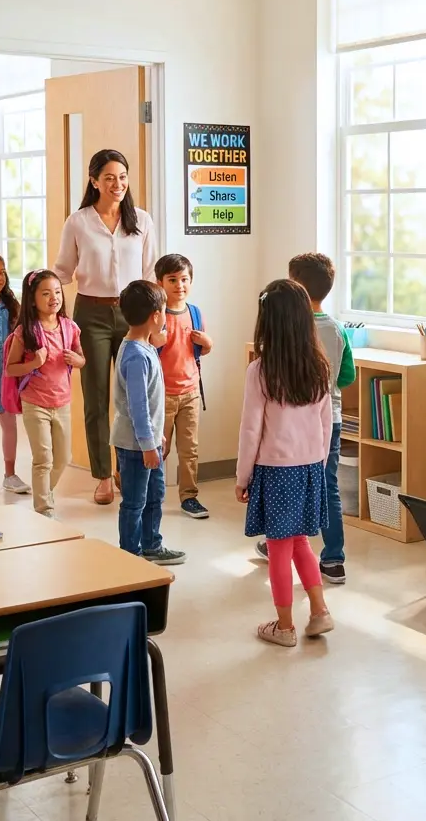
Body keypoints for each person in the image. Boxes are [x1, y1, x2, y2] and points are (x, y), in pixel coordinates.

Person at [54, 149, 157, 506]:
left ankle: (126, 467)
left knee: (134, 397)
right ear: (94, 181)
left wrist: (157, 321)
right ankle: (102, 476)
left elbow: (149, 274)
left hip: (133, 314)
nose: (118, 184)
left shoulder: (141, 220)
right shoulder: (78, 222)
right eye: (109, 177)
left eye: (123, 177)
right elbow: (63, 271)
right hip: (91, 315)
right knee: (97, 398)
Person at [237, 279, 334, 647]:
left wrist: (242, 477)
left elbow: (250, 430)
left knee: (278, 547)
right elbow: (326, 424)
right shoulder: (319, 367)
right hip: (310, 467)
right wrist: (317, 465)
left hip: (276, 470)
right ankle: (320, 611)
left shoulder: (260, 371)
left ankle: (285, 626)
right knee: (300, 544)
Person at [254, 253, 354, 584]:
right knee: (327, 485)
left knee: (287, 483)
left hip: (289, 422)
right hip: (330, 419)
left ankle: (281, 542)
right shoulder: (338, 330)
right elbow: (345, 377)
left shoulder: (287, 327)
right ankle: (333, 558)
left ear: (294, 284)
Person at [111, 280, 185, 566]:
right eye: (164, 312)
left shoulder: (145, 347)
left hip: (149, 441)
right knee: (134, 502)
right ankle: (130, 555)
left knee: (155, 495)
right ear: (156, 315)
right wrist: (147, 445)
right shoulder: (135, 355)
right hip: (135, 445)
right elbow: (138, 408)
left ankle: (152, 544)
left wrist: (158, 438)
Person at [4, 270, 85, 517]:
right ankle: (43, 510)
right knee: (43, 458)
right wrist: (33, 364)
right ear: (32, 299)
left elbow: (82, 359)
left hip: (61, 402)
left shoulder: (70, 328)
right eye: (46, 293)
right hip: (34, 403)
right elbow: (10, 369)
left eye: (58, 292)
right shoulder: (25, 332)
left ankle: (44, 492)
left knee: (63, 457)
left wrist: (77, 359)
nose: (54, 298)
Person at [153, 253, 214, 519]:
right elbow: (146, 349)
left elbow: (201, 350)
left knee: (189, 449)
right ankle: (150, 492)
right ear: (160, 283)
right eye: (173, 279)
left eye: (184, 279)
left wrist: (208, 343)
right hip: (162, 394)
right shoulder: (157, 316)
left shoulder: (195, 313)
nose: (179, 285)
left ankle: (189, 497)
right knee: (159, 449)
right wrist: (158, 339)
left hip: (190, 392)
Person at [0, 251, 29, 495]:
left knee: (9, 422)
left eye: (2, 272)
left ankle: (10, 474)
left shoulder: (10, 306)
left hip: (7, 374)